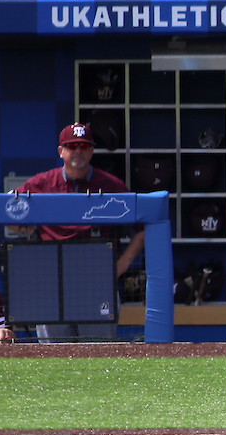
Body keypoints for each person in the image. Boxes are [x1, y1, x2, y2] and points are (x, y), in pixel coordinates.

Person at [16, 123, 145, 341]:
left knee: (98, 353)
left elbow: (141, 229)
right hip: (51, 281)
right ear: (61, 151)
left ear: (92, 151)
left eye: (84, 146)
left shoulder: (111, 185)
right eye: (72, 146)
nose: (78, 151)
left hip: (96, 281)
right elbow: (8, 212)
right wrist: (33, 228)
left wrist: (121, 265)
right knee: (53, 356)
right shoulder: (43, 182)